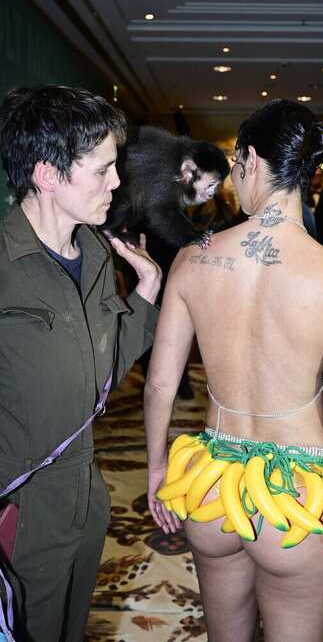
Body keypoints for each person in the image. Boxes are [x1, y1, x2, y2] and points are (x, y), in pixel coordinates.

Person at [144, 99, 323, 642]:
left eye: (235, 166)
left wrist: (157, 468)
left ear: (251, 159)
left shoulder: (193, 257)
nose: (234, 179)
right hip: (301, 500)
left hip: (212, 487)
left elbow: (160, 383)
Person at [0, 84, 162, 642]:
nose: (116, 183)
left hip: (87, 494)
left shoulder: (94, 253)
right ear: (48, 175)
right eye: (102, 169)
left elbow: (103, 372)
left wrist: (147, 290)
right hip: (19, 502)